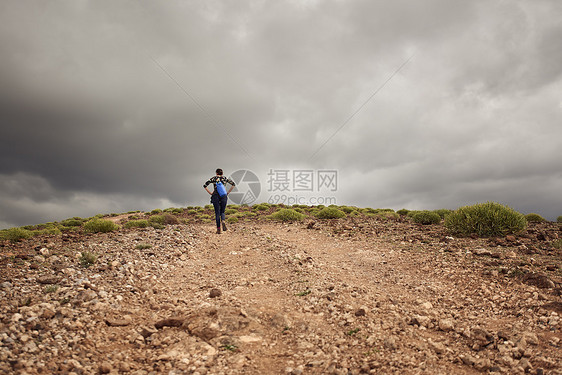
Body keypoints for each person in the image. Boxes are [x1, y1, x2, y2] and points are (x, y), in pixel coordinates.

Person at [203, 168, 236, 234]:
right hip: (223, 195)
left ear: (216, 173)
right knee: (222, 211)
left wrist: (210, 193)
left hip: (215, 195)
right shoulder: (225, 178)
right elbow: (233, 184)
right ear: (222, 173)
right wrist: (228, 192)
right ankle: (223, 220)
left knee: (217, 213)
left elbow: (205, 185)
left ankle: (218, 229)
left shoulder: (213, 178)